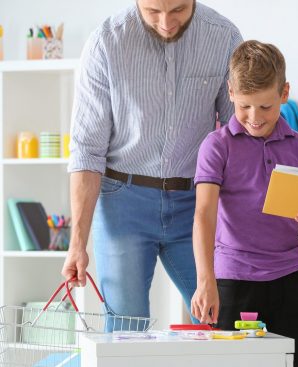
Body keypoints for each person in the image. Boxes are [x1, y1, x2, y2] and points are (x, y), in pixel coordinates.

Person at [62, 0, 243, 326]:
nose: (166, 23)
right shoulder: (106, 43)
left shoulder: (224, 37)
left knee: (218, 320)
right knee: (124, 331)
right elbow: (88, 152)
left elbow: (238, 144)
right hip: (123, 203)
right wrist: (77, 244)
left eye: (177, 10)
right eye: (153, 12)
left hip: (196, 203)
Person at [191, 40, 298, 367]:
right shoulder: (216, 146)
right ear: (231, 93)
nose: (255, 117)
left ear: (284, 93)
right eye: (245, 106)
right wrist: (207, 282)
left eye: (266, 107)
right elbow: (203, 214)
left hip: (289, 282)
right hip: (234, 283)